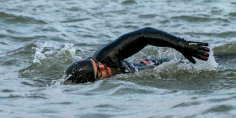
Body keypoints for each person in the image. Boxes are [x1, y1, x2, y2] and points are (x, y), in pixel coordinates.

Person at [64, 27, 210, 84]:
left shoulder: (106, 55)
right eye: (99, 72)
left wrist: (181, 45)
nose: (103, 67)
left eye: (98, 64)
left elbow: (143, 34)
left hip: (155, 64)